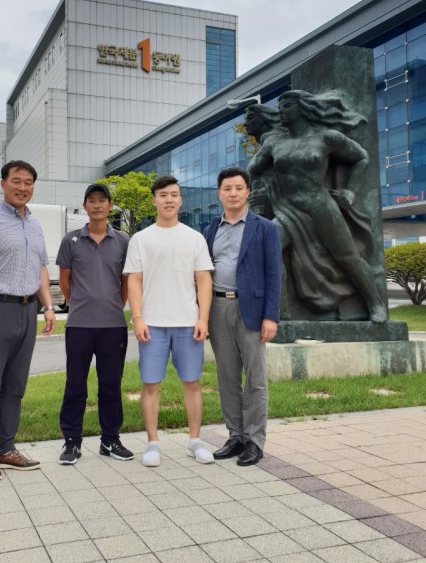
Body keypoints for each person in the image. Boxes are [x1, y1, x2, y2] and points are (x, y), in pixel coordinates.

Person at [247, 90, 386, 322]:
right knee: (268, 249)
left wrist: (350, 191)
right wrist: (259, 192)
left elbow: (361, 157)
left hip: (320, 206)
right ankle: (280, 311)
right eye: (279, 107)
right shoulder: (273, 143)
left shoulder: (327, 138)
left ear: (302, 107)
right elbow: (253, 169)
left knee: (347, 257)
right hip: (287, 209)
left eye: (287, 106)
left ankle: (375, 304)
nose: (281, 111)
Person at [0, 160, 56, 482]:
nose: (23, 187)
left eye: (28, 182)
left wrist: (48, 307)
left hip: (28, 310)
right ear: (3, 183)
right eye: (16, 181)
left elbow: (41, 268)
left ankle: (5, 447)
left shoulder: (35, 224)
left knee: (15, 385)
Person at [124, 175, 215, 467]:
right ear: (154, 200)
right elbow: (134, 281)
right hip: (152, 324)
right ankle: (152, 443)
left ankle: (195, 440)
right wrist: (137, 318)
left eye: (174, 195)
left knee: (192, 382)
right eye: (163, 195)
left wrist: (203, 318)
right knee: (151, 384)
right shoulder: (140, 239)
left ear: (180, 200)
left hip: (188, 322)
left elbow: (204, 280)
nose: (169, 200)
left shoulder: (194, 238)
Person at [203, 166, 281, 466]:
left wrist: (270, 316)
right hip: (218, 308)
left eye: (238, 188)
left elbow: (274, 275)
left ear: (248, 191)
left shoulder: (266, 228)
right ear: (219, 193)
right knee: (227, 377)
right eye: (227, 189)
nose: (233, 193)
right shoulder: (210, 229)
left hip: (252, 310)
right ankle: (235, 436)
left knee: (256, 379)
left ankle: (254, 441)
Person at [56, 183, 132, 464]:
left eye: (102, 200)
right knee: (75, 383)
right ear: (85, 206)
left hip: (113, 325)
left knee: (110, 384)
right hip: (79, 325)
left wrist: (114, 306)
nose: (97, 205)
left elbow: (126, 282)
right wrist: (79, 304)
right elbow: (65, 282)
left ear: (110, 205)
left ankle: (110, 439)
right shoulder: (71, 240)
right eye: (92, 200)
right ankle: (71, 442)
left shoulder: (123, 240)